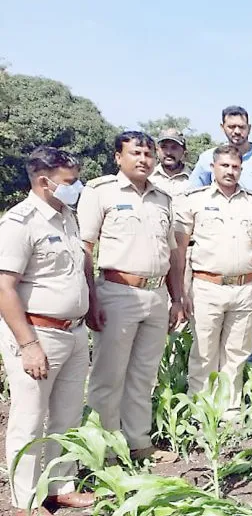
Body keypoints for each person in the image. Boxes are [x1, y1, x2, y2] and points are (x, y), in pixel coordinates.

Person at [0, 147, 96, 516]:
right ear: (44, 181)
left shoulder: (66, 216)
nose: (77, 189)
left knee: (67, 415)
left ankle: (60, 484)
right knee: (28, 417)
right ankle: (26, 501)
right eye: (70, 182)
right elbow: (5, 288)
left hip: (72, 332)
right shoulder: (20, 223)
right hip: (38, 334)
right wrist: (28, 345)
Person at [78, 131, 184, 463]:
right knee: (109, 376)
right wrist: (91, 300)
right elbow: (85, 248)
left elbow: (173, 253)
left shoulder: (162, 199)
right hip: (117, 293)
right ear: (118, 157)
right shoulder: (100, 192)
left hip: (155, 295)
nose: (143, 159)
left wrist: (177, 298)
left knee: (143, 375)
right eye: (136, 153)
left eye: (148, 154)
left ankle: (138, 443)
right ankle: (105, 452)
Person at [174, 145, 252, 411]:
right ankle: (201, 412)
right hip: (207, 287)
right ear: (213, 167)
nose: (230, 171)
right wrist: (180, 292)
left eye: (235, 167)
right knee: (204, 354)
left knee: (237, 354)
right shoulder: (195, 200)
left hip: (245, 288)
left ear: (241, 170)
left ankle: (229, 410)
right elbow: (180, 249)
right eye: (225, 166)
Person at [190, 106, 252, 362]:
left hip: (251, 258)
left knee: (249, 326)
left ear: (249, 129)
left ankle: (245, 380)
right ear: (222, 128)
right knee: (206, 342)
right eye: (231, 127)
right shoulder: (207, 159)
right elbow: (191, 205)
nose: (236, 131)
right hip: (212, 262)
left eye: (241, 127)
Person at [151, 128, 191, 196]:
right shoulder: (147, 178)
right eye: (164, 147)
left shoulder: (194, 179)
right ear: (157, 151)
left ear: (184, 152)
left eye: (174, 147)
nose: (168, 152)